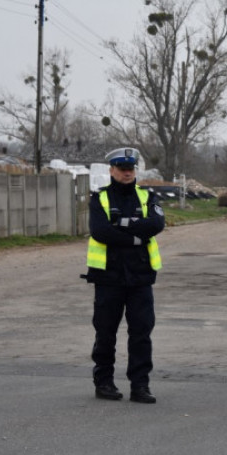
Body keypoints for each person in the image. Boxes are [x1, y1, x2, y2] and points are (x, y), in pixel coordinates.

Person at [84, 147, 165, 404]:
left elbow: (156, 225)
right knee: (106, 333)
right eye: (122, 169)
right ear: (112, 170)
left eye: (130, 169)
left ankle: (140, 386)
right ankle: (104, 382)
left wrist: (121, 225)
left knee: (141, 334)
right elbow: (100, 232)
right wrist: (136, 236)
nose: (127, 173)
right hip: (109, 277)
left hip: (140, 277)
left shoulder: (148, 196)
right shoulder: (100, 198)